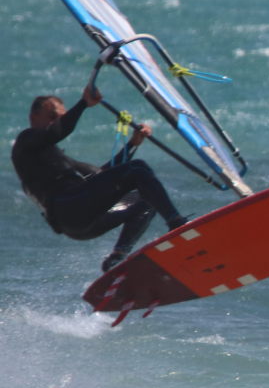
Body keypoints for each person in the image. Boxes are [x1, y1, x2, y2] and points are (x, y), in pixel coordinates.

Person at [12, 85, 187, 273]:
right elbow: (56, 132)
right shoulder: (25, 142)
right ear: (34, 117)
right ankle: (176, 224)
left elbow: (100, 174)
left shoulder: (58, 159)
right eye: (53, 116)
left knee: (147, 197)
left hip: (80, 223)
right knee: (137, 169)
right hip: (67, 209)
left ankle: (118, 257)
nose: (57, 121)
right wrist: (83, 103)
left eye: (61, 117)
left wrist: (132, 144)